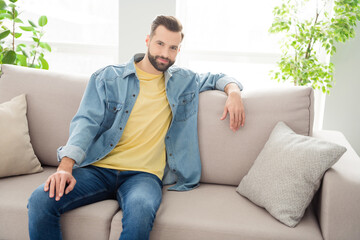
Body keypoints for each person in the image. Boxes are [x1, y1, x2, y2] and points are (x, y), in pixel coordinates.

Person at [27, 15, 245, 240]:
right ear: (148, 40)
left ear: (179, 51)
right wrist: (65, 166)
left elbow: (219, 78)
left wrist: (234, 92)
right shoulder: (109, 78)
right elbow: (86, 122)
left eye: (173, 48)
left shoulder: (184, 81)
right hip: (98, 169)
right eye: (160, 44)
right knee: (40, 200)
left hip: (143, 176)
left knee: (141, 213)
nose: (165, 54)